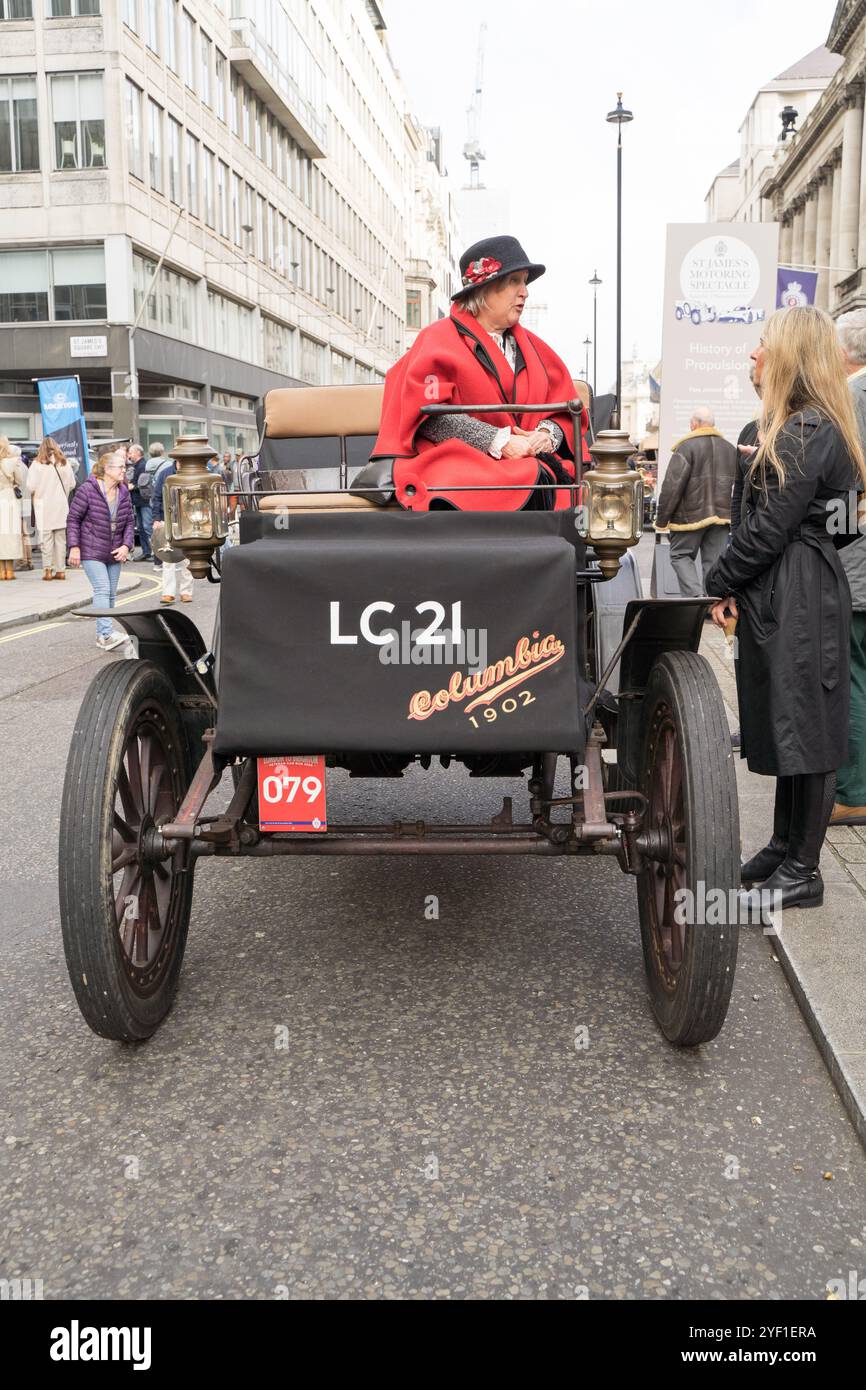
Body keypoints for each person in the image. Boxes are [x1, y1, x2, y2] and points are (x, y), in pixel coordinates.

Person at [705, 306, 866, 910]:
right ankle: (783, 848)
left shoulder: (803, 431)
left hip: (798, 590)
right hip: (799, 585)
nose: (753, 354)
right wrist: (814, 528)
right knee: (794, 720)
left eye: (762, 345)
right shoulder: (813, 425)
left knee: (809, 728)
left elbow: (766, 529)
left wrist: (715, 585)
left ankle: (803, 869)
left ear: (790, 355)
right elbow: (847, 522)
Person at [365, 235, 590, 511]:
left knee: (545, 477)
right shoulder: (438, 339)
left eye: (524, 282)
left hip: (530, 460)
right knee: (479, 480)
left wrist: (545, 435)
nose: (525, 292)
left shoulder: (536, 348)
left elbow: (564, 411)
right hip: (463, 458)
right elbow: (429, 417)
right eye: (514, 281)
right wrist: (501, 442)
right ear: (484, 290)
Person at [829, 310, 866, 825]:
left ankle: (854, 791)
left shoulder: (852, 399)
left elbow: (845, 486)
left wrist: (833, 547)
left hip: (858, 565)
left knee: (853, 674)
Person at [655, 406, 738, 597]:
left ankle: (694, 598)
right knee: (714, 561)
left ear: (694, 424)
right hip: (722, 517)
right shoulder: (729, 448)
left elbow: (672, 487)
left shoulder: (686, 447)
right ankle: (712, 602)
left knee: (680, 555)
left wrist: (661, 520)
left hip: (689, 517)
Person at [67, 450, 134, 651]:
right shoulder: (88, 490)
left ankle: (102, 635)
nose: (124, 470)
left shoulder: (123, 491)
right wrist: (74, 547)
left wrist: (126, 546)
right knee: (103, 589)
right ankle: (106, 634)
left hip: (114, 551)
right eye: (120, 467)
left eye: (124, 466)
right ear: (107, 469)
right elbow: (73, 519)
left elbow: (130, 521)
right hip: (91, 549)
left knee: (111, 594)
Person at [26, 437, 76, 580]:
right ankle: (61, 570)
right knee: (61, 539)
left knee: (46, 539)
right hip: (61, 505)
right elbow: (72, 484)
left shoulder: (36, 464)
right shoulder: (65, 463)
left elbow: (30, 486)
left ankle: (48, 570)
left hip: (43, 506)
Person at [151, 453, 193, 605]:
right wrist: (156, 519)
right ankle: (168, 593)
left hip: (187, 520)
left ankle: (186, 591)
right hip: (167, 519)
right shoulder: (165, 474)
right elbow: (156, 497)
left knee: (187, 557)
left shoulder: (191, 474)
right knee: (168, 558)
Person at [0, 438, 27, 580]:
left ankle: (0, 571)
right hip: (8, 498)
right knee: (10, 534)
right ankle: (9, 571)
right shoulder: (12, 462)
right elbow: (20, 480)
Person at [127, 443, 153, 560]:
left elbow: (145, 483)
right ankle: (146, 552)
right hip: (138, 501)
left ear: (137, 453)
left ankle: (156, 554)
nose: (129, 455)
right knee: (141, 528)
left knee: (147, 527)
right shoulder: (137, 465)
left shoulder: (143, 465)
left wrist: (134, 486)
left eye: (131, 452)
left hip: (145, 501)